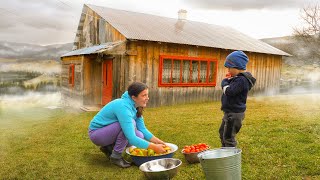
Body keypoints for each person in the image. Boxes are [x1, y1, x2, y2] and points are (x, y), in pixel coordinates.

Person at [88, 82, 167, 168]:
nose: (147, 98)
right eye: (144, 95)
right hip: (97, 134)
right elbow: (131, 138)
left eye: (147, 95)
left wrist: (159, 142)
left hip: (108, 132)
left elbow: (143, 129)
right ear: (134, 97)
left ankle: (109, 148)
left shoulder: (136, 106)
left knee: (140, 135)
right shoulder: (123, 106)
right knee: (131, 126)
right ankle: (116, 156)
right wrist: (154, 148)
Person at [219, 50, 256, 147]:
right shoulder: (237, 79)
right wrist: (229, 80)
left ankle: (230, 158)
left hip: (234, 114)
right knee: (222, 133)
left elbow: (229, 91)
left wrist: (224, 82)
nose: (228, 70)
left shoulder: (242, 80)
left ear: (237, 67)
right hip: (230, 112)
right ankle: (224, 152)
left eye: (229, 67)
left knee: (228, 137)